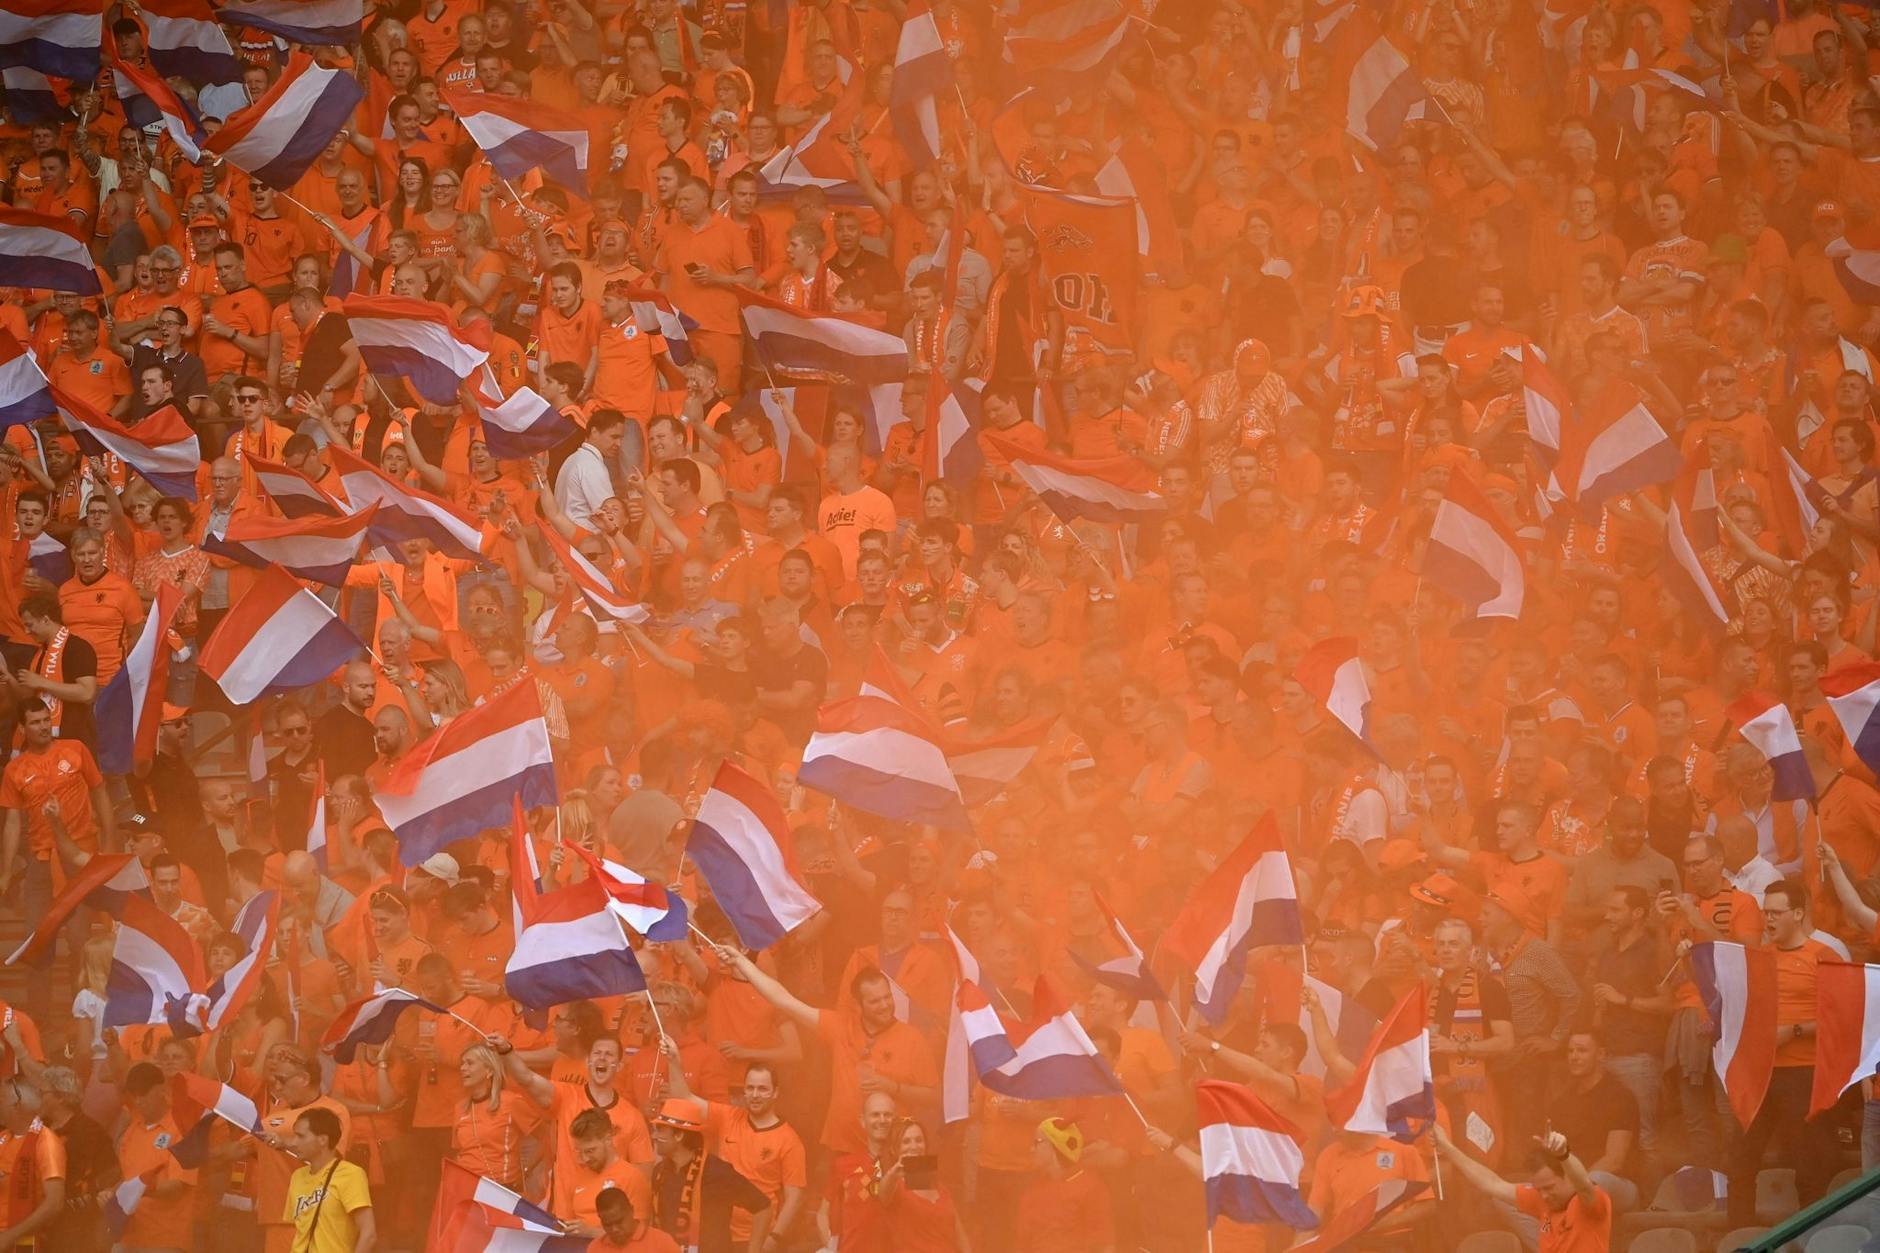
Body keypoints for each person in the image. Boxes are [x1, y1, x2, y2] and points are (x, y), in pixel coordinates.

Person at [1434, 1123, 1613, 1253]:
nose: (1544, 1195)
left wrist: (1564, 1155)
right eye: (1539, 1189)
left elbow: (1584, 1184)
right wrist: (1448, 1147)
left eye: (1549, 1187)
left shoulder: (1590, 1203)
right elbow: (1491, 1183)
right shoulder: (1541, 1199)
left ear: (1568, 1177)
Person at [282, 1106, 376, 1253]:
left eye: (301, 1136)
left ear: (323, 1140)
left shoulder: (350, 1174)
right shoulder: (297, 1176)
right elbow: (297, 1230)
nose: (294, 1142)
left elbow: (368, 1234)